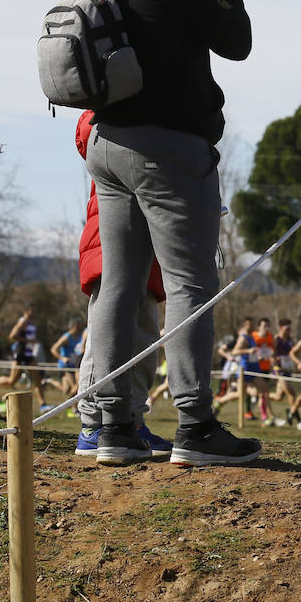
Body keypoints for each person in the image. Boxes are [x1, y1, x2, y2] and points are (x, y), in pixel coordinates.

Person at [82, 0, 256, 466]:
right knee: (189, 284)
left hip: (106, 145)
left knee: (118, 284)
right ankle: (195, 425)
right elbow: (237, 42)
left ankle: (114, 426)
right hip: (169, 150)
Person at [73, 110, 172, 459]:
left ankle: (131, 419)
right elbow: (87, 130)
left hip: (146, 248)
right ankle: (94, 424)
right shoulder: (106, 122)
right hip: (112, 245)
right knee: (108, 335)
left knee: (144, 336)